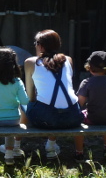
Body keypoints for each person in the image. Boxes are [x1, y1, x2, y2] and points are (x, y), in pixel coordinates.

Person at [24, 29, 83, 159]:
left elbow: (30, 96)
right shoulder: (68, 60)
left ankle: (14, 147)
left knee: (24, 104)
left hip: (45, 119)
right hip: (73, 116)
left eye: (36, 43)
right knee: (57, 101)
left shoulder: (31, 62)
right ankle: (51, 145)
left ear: (41, 45)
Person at [73, 51, 106, 163]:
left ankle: (79, 152)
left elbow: (79, 104)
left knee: (77, 118)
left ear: (89, 67)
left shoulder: (87, 82)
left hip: (93, 118)